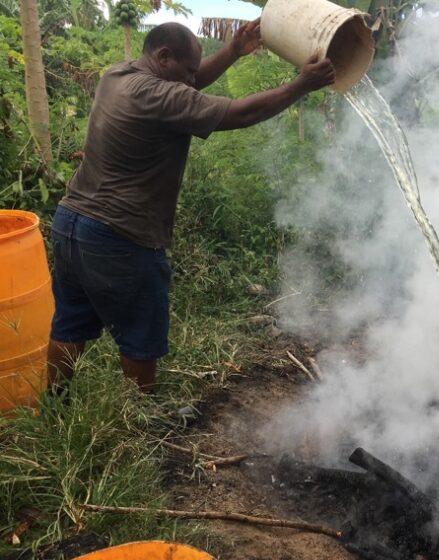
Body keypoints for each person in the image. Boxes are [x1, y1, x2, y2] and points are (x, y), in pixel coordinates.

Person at [47, 20, 335, 393]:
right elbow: (240, 114)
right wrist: (301, 85)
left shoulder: (117, 75)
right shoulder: (158, 97)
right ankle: (142, 424)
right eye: (187, 70)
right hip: (119, 235)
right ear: (164, 57)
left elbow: (188, 87)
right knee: (140, 336)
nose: (191, 79)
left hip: (70, 223)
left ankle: (54, 406)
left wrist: (232, 51)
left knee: (70, 324)